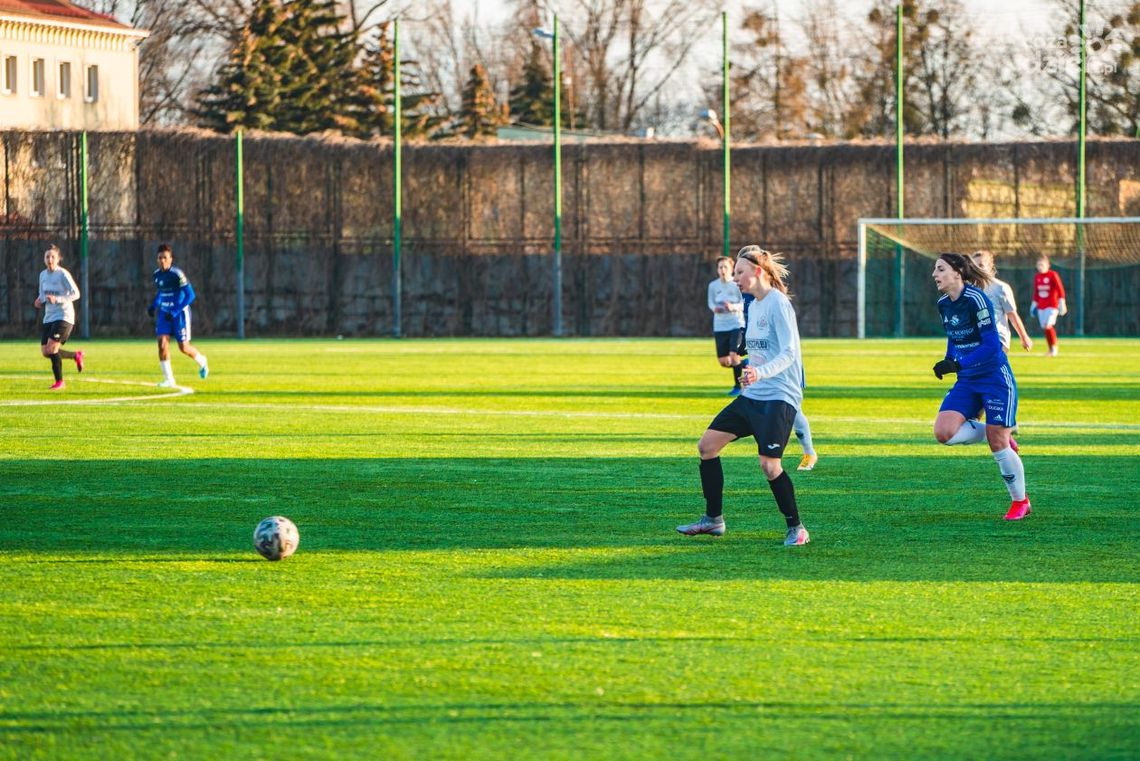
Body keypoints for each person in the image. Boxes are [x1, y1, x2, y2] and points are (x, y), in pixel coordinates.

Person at [677, 246, 810, 546]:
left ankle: (797, 528)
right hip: (754, 396)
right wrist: (744, 358)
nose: (735, 278)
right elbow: (759, 347)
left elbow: (789, 352)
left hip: (779, 397)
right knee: (707, 446)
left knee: (769, 465)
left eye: (739, 272)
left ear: (757, 272)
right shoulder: (752, 304)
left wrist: (759, 373)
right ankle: (713, 521)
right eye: (734, 272)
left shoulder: (778, 303)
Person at [931, 252, 1031, 521]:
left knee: (997, 443)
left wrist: (960, 365)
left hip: (994, 378)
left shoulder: (977, 299)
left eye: (940, 269)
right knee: (943, 433)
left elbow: (991, 346)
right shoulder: (943, 303)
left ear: (957, 273)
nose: (935, 275)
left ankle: (1020, 501)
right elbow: (953, 336)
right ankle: (999, 432)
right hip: (967, 380)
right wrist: (949, 359)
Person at [741, 294, 818, 472]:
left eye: (740, 272)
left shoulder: (774, 298)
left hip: (785, 367)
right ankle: (768, 453)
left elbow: (786, 343)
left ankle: (809, 452)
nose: (736, 278)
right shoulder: (745, 296)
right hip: (760, 363)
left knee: (795, 410)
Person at [150, 243, 208, 387]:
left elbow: (190, 295)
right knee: (162, 344)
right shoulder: (156, 275)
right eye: (159, 258)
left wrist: (175, 310)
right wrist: (154, 305)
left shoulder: (177, 275)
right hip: (164, 314)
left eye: (165, 258)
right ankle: (169, 379)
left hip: (180, 314)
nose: (162, 260)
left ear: (171, 259)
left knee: (184, 348)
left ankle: (202, 361)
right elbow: (161, 292)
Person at [34, 245, 84, 390]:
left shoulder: (63, 274)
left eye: (52, 257)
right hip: (49, 317)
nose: (50, 259)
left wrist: (59, 299)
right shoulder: (42, 275)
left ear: (58, 259)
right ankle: (76, 355)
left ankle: (60, 382)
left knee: (52, 348)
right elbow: (43, 294)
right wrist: (39, 300)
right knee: (46, 351)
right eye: (47, 257)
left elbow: (76, 294)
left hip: (64, 316)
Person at [971, 250, 1032, 354]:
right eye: (975, 266)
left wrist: (1024, 336)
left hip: (997, 338)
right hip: (976, 339)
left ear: (990, 266)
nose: (978, 269)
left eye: (981, 265)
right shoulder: (968, 289)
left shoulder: (1000, 287)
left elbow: (1012, 314)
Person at [707, 256, 746, 395]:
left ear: (731, 269)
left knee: (734, 355)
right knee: (724, 362)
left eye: (725, 267)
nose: (723, 270)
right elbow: (711, 303)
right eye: (720, 267)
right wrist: (715, 309)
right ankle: (745, 364)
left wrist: (733, 307)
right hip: (720, 326)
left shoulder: (737, 284)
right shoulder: (713, 285)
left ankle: (738, 386)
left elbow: (743, 303)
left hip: (736, 324)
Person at [1030, 254, 1066, 357]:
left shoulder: (1053, 275)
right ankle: (1050, 349)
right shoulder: (1037, 277)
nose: (1040, 267)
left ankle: (1054, 348)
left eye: (1042, 264)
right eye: (1038, 265)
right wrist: (1033, 305)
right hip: (1041, 306)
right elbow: (1036, 292)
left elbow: (1060, 289)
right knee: (1045, 328)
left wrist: (1062, 302)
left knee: (1048, 325)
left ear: (1048, 265)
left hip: (1052, 306)